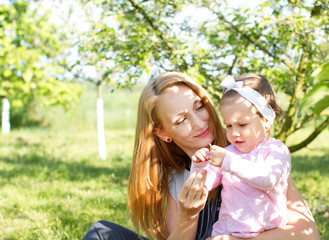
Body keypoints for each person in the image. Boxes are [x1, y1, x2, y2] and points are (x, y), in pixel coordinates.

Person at [82, 72, 320, 240]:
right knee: (102, 233)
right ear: (163, 133)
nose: (199, 123)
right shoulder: (171, 180)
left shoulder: (253, 154)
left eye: (199, 106)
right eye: (181, 119)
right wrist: (188, 214)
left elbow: (307, 234)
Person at [191, 74, 291, 238]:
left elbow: (267, 180)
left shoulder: (276, 151)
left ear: (266, 120)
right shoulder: (229, 152)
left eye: (242, 124)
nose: (234, 133)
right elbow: (206, 185)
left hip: (268, 233)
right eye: (228, 125)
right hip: (227, 231)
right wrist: (200, 166)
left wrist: (227, 161)